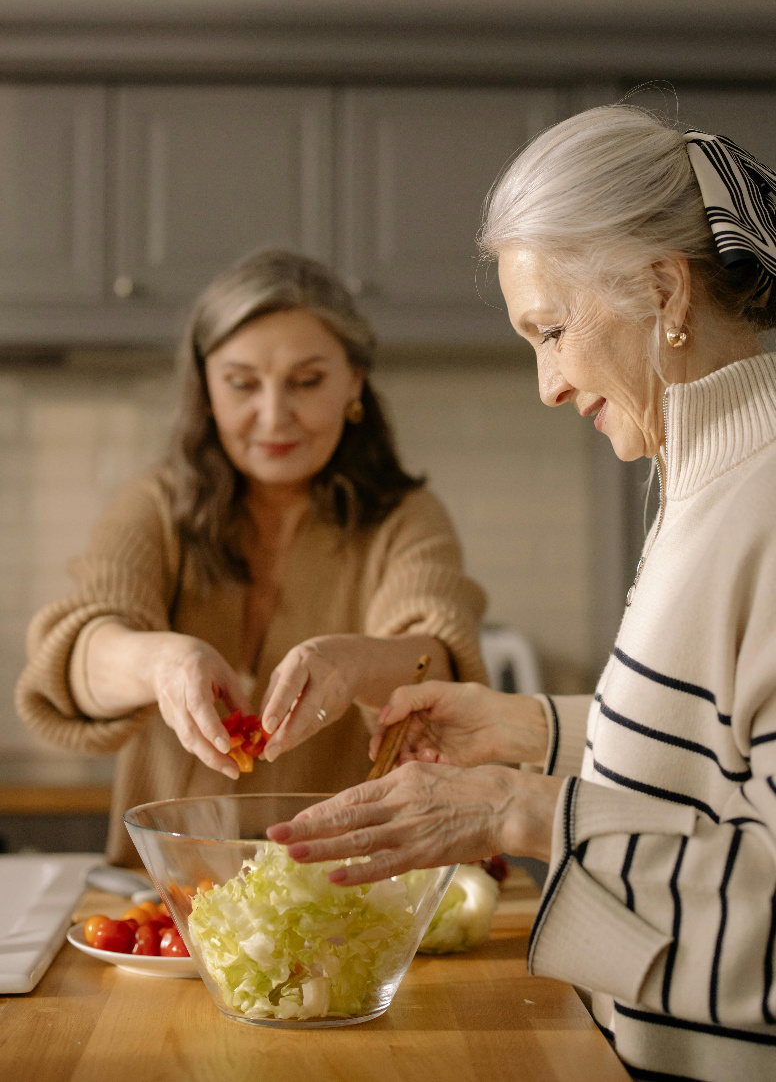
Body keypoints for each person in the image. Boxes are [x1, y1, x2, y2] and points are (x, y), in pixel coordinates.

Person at [267, 108, 776, 1082]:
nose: (545, 385)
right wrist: (528, 731)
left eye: (550, 331)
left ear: (664, 289)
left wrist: (516, 812)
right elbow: (718, 761)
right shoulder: (702, 479)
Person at [15, 248, 486, 866]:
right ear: (206, 387)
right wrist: (161, 662)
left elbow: (441, 661)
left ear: (354, 383)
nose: (273, 415)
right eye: (242, 383)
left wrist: (356, 662)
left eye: (307, 381)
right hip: (169, 901)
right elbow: (76, 661)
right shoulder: (155, 506)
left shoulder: (407, 518)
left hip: (342, 893)